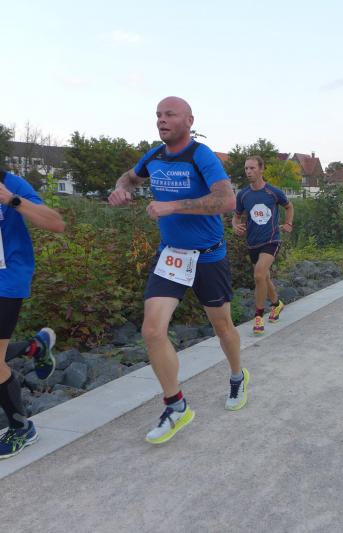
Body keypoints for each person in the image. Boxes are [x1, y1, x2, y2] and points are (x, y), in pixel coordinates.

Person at [109, 96, 248, 445]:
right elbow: (129, 177)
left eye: (170, 114)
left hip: (208, 256)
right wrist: (120, 189)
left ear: (189, 120)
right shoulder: (153, 156)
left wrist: (173, 206)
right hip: (171, 256)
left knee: (222, 327)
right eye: (158, 115)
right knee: (152, 330)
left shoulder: (201, 155)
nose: (161, 120)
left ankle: (237, 375)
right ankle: (176, 406)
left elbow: (227, 200)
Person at [0, 169, 65, 458]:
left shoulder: (10, 183)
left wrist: (12, 200)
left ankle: (21, 428)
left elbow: (56, 223)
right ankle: (34, 347)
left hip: (6, 279)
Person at [232, 155, 294, 335]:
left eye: (252, 168)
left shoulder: (273, 192)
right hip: (253, 242)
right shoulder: (243, 195)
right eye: (246, 168)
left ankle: (258, 316)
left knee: (258, 274)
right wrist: (236, 226)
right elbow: (236, 217)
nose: (248, 172)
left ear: (261, 169)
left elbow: (289, 206)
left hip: (271, 239)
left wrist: (288, 223)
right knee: (264, 278)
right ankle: (276, 304)